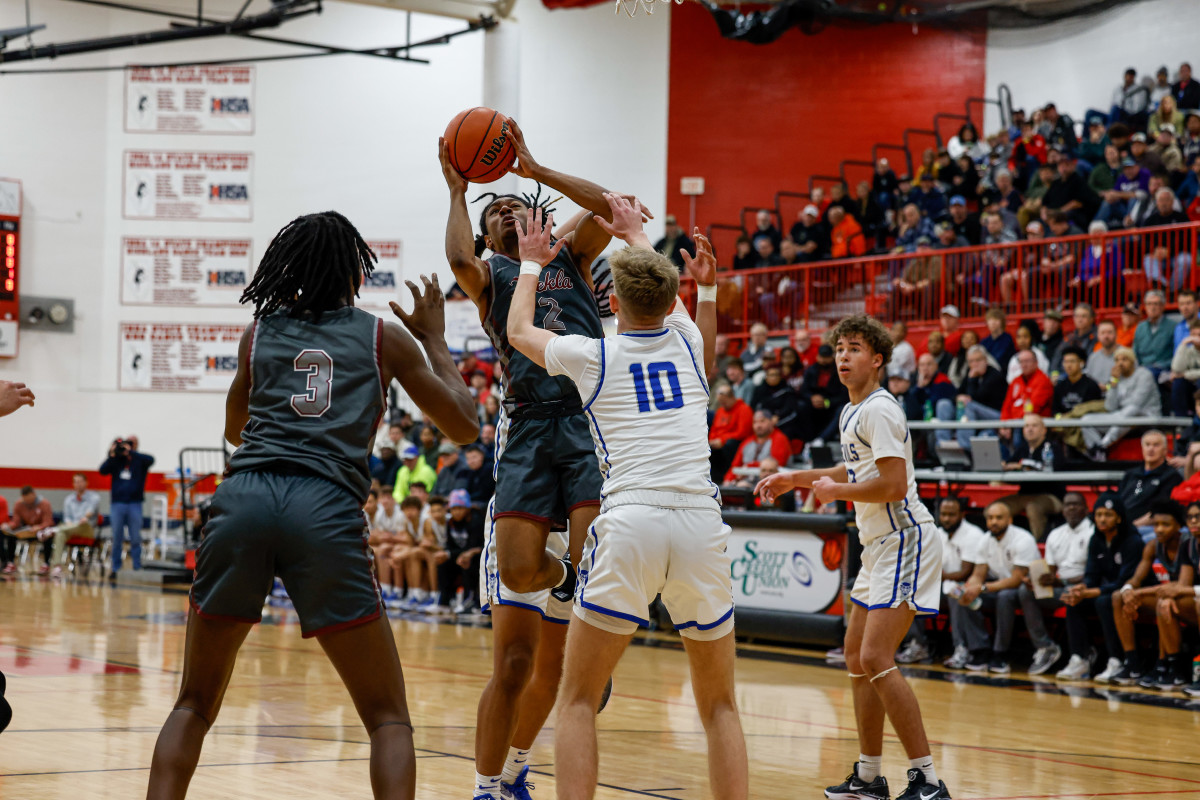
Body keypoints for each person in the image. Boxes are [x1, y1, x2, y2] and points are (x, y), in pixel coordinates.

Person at [145, 211, 481, 800]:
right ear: (357, 272)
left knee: (194, 702)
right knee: (387, 719)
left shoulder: (261, 332)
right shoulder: (383, 337)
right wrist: (432, 340)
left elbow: (233, 428)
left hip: (244, 499)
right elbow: (465, 426)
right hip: (324, 507)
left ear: (290, 271)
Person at [507, 195, 748, 800]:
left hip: (632, 519)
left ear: (610, 305)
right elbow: (671, 298)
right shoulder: (689, 341)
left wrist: (533, 263)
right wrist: (643, 237)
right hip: (700, 520)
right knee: (720, 706)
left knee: (578, 699)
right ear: (674, 304)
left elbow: (516, 332)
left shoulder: (594, 355)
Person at [441, 119, 635, 800]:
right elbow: (457, 259)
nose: (501, 214)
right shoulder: (491, 275)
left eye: (509, 205)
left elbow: (613, 208)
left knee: (594, 557)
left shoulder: (573, 257)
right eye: (492, 214)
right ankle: (569, 592)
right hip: (524, 430)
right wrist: (456, 191)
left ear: (534, 214)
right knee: (526, 574)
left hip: (582, 423)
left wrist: (535, 169)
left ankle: (587, 621)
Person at [756, 313, 952, 800]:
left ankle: (928, 781)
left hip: (906, 538)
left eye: (855, 348)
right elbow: (854, 466)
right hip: (878, 546)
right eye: (840, 348)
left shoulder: (882, 409)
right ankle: (868, 776)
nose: (844, 356)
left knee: (876, 655)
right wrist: (794, 478)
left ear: (878, 359)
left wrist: (834, 492)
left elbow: (892, 484)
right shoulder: (852, 411)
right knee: (855, 656)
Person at [1055, 493, 1144, 682]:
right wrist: (1081, 589)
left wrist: (1091, 591)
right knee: (1074, 601)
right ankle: (1080, 658)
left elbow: (1124, 582)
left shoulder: (1132, 541)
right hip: (1108, 591)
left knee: (1104, 601)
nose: (1102, 519)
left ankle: (1116, 660)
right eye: (1099, 514)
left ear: (1119, 518)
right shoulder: (1096, 540)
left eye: (1108, 515)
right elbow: (1092, 575)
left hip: (1132, 592)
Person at [954, 502, 1045, 673]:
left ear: (1009, 520)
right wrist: (970, 587)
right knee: (966, 596)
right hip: (996, 588)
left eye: (998, 518)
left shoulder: (1023, 539)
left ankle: (1000, 654)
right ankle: (979, 651)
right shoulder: (985, 540)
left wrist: (981, 588)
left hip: (1025, 591)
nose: (993, 522)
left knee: (1005, 597)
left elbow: (1017, 579)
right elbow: (978, 573)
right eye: (990, 518)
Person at [1107, 499, 1189, 687]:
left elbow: (1180, 585)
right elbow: (1136, 578)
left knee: (1163, 599)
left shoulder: (1187, 544)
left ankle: (1164, 665)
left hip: (1186, 596)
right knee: (1118, 597)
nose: (1159, 529)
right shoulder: (1152, 546)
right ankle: (1132, 663)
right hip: (1165, 595)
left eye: (1165, 525)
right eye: (1156, 525)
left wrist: (1138, 592)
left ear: (1179, 526)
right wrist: (1128, 591)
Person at [1022, 492, 1093, 675]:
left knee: (1072, 595)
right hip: (1061, 588)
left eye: (1076, 504)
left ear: (1086, 509)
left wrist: (1061, 581)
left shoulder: (1094, 531)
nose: (1071, 508)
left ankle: (1082, 654)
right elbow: (1051, 572)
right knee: (1025, 591)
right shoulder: (1055, 534)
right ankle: (1046, 647)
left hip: (1086, 589)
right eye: (1067, 504)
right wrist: (1038, 580)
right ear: (1062, 510)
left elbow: (1094, 574)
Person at [924, 496, 988, 669]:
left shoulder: (973, 534)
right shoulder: (937, 533)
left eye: (951, 515)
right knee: (909, 591)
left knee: (956, 593)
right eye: (943, 514)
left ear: (962, 514)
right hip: (941, 587)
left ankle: (963, 649)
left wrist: (938, 576)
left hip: (969, 587)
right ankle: (917, 644)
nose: (946, 518)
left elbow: (965, 572)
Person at [1153, 503, 1200, 695]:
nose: (1194, 521)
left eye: (1198, 516)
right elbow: (1183, 584)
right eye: (1190, 517)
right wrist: (1173, 595)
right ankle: (1176, 670)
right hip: (1197, 596)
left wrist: (1183, 592)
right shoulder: (1189, 545)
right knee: (1165, 604)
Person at [1082, 349, 1162, 456]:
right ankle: (1098, 454)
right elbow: (1110, 407)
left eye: (1124, 359)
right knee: (1086, 420)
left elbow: (1136, 404)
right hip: (1122, 417)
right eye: (1117, 360)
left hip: (1147, 416)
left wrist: (1120, 411)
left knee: (1131, 411)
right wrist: (1114, 383)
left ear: (1133, 361)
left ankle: (1103, 445)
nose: (1120, 363)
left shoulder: (1144, 375)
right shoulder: (1117, 378)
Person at [999, 414, 1066, 541]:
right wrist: (1004, 466)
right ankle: (1002, 544)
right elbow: (1010, 467)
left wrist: (1021, 466)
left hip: (1051, 495)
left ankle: (1038, 546)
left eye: (1034, 426)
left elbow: (1055, 468)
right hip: (1024, 495)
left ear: (1044, 430)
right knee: (995, 509)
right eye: (1026, 426)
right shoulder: (1022, 449)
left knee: (1033, 507)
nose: (1030, 429)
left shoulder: (1052, 447)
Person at [99, 435, 155, 578]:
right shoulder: (117, 460)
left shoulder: (140, 459)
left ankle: (137, 566)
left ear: (136, 445)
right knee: (117, 536)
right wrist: (112, 453)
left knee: (136, 536)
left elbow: (151, 460)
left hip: (135, 503)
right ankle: (116, 567)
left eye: (131, 443)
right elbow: (102, 470)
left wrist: (131, 452)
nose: (127, 446)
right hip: (117, 503)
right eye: (126, 443)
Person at [1116, 430, 1183, 532]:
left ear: (1165, 450)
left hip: (1148, 528)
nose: (1151, 449)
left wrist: (1132, 526)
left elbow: (1160, 511)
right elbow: (1118, 501)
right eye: (1147, 445)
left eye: (1156, 445)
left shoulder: (1171, 477)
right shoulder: (1130, 474)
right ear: (1142, 448)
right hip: (1123, 526)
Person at [47, 473, 101, 578]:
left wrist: (85, 518)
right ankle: (57, 566)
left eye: (81, 481)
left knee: (79, 525)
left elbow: (90, 512)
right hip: (70, 529)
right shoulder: (69, 499)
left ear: (86, 483)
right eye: (76, 482)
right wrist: (68, 523)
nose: (78, 484)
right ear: (73, 484)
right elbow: (67, 517)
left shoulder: (94, 497)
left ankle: (53, 530)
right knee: (60, 534)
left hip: (86, 528)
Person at [439, 489, 484, 613]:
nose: (456, 512)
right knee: (442, 563)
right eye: (454, 509)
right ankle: (444, 600)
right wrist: (446, 553)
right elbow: (449, 545)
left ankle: (470, 600)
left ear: (467, 508)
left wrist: (457, 554)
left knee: (467, 561)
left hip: (477, 555)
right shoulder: (450, 523)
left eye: (460, 508)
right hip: (459, 554)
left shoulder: (476, 521)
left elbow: (475, 545)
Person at [709, 384, 753, 484]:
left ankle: (726, 477)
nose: (722, 404)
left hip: (736, 443)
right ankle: (713, 479)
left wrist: (722, 440)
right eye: (720, 402)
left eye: (724, 402)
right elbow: (714, 429)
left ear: (731, 397)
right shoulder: (720, 411)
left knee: (730, 444)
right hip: (719, 442)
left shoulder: (744, 409)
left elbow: (742, 432)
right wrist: (712, 440)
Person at [6, 486, 54, 575]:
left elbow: (48, 521)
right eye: (25, 499)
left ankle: (46, 564)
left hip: (40, 531)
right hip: (26, 531)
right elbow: (15, 522)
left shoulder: (44, 503)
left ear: (33, 495)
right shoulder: (19, 504)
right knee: (10, 535)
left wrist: (39, 527)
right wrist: (8, 526)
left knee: (47, 536)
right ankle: (11, 563)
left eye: (29, 499)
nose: (27, 502)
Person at [1053, 345, 1102, 416]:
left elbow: (1094, 411)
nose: (1068, 365)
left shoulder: (1091, 386)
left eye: (1072, 361)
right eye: (1066, 362)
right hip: (1063, 424)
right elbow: (1055, 411)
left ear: (1082, 363)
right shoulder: (1060, 386)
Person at [1087, 319, 1120, 386]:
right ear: (1098, 336)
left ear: (1116, 334)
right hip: (1095, 395)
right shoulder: (1093, 358)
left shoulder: (1126, 355)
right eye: (1102, 333)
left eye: (1109, 332)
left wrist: (1107, 387)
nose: (1106, 336)